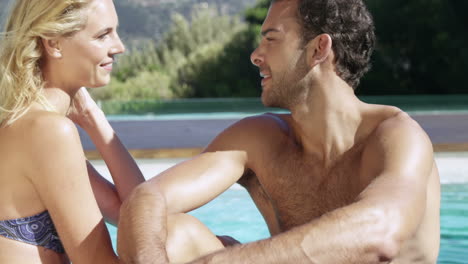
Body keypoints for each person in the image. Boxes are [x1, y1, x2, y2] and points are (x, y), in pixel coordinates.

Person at [118, 0, 441, 263]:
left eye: (271, 39)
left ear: (319, 49)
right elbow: (149, 197)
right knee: (173, 235)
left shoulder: (397, 137)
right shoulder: (261, 138)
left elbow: (380, 231)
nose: (255, 55)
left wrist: (224, 261)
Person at [0, 0, 245, 263]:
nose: (119, 47)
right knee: (182, 235)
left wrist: (95, 121)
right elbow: (98, 260)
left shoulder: (32, 126)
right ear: (54, 44)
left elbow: (137, 213)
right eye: (103, 35)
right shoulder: (48, 132)